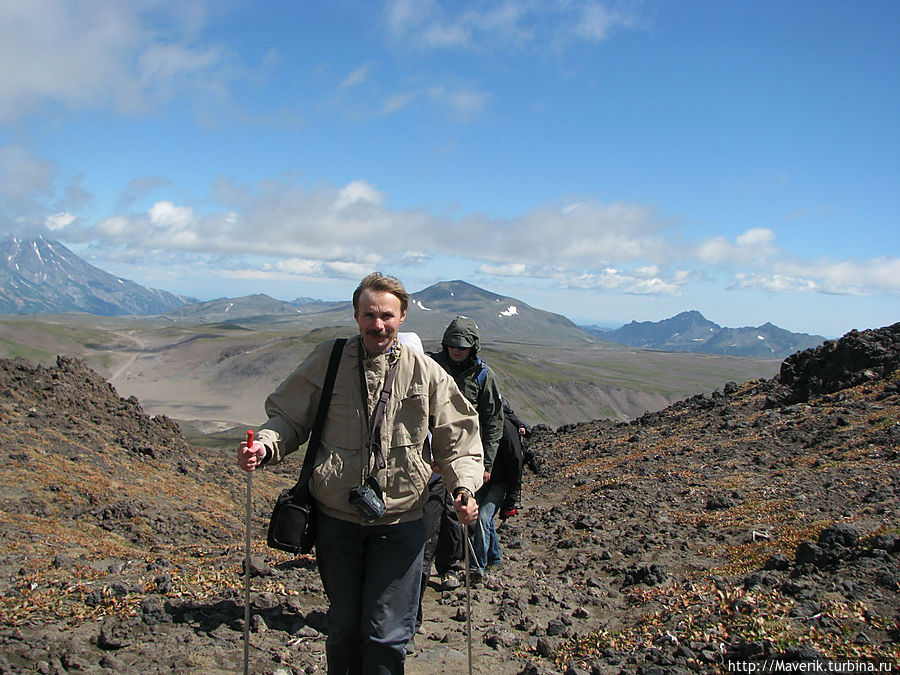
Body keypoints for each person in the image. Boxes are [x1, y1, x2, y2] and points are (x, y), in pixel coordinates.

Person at [237, 273, 483, 675]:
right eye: (369, 314)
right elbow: (289, 416)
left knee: (386, 634)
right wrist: (264, 445)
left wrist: (464, 489)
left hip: (402, 522)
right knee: (344, 629)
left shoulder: (426, 372)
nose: (378, 324)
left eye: (387, 315)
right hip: (337, 521)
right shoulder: (328, 359)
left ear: (402, 316)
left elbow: (458, 438)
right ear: (356, 315)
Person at [430, 316, 503, 581]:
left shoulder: (484, 376)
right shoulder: (431, 366)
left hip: (464, 455)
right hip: (428, 453)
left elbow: (493, 421)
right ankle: (419, 567)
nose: (456, 350)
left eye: (462, 345)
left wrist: (486, 464)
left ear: (473, 347)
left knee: (454, 511)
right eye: (452, 344)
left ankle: (449, 566)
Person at [479, 397, 531, 569]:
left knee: (483, 519)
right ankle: (494, 559)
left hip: (498, 482)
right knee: (485, 521)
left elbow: (515, 464)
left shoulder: (505, 429)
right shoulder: (486, 423)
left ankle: (476, 566)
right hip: (488, 480)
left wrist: (510, 501)